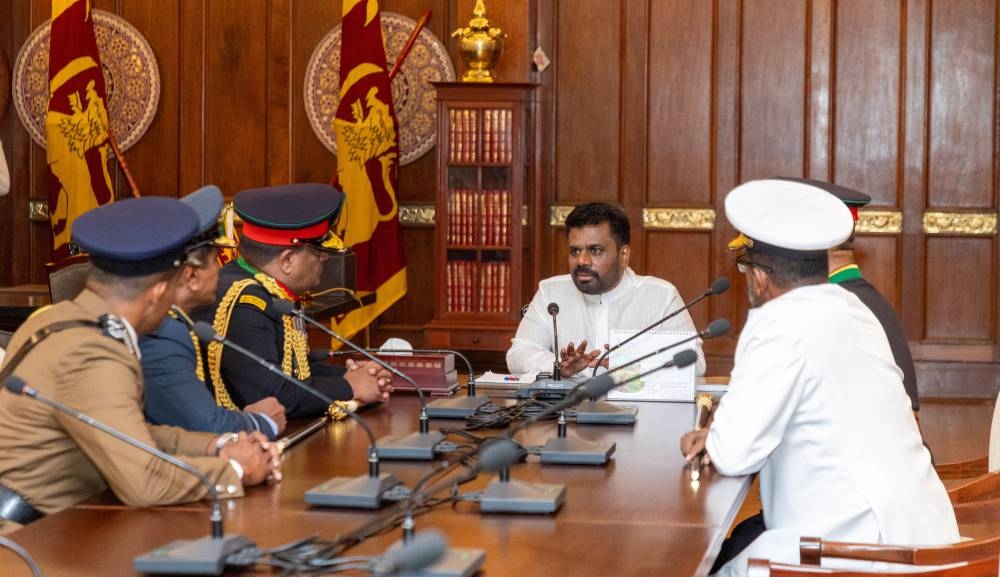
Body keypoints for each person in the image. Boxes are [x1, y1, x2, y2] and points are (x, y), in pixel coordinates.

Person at [680, 179, 957, 576]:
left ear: (759, 277)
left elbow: (734, 454)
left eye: (744, 268)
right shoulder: (854, 308)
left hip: (852, 551)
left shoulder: (776, 322)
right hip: (923, 535)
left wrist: (717, 440)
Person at [0, 197, 281, 532]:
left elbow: (129, 433)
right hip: (31, 542)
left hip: (68, 526)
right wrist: (236, 471)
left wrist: (217, 446)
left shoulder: (57, 318)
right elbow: (144, 483)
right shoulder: (93, 353)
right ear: (158, 291)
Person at [203, 183, 392, 419]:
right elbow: (272, 395)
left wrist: (354, 375)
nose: (324, 257)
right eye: (316, 251)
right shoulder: (246, 303)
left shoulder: (267, 287)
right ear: (287, 261)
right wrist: (350, 387)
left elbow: (293, 370)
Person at [140, 185, 287, 440]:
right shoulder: (161, 333)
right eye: (216, 260)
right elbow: (205, 425)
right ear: (192, 276)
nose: (221, 270)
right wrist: (261, 422)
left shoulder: (176, 322)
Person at [507, 202, 704, 378]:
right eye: (575, 251)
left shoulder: (661, 296)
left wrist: (631, 364)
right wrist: (558, 366)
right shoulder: (551, 292)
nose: (582, 261)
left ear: (624, 254)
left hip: (639, 411)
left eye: (595, 251)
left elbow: (696, 363)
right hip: (566, 410)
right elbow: (518, 354)